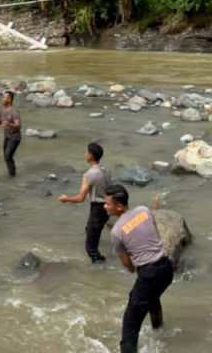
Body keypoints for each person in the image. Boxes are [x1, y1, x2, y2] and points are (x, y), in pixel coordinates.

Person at [104, 184, 175, 353]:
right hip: (167, 268)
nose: (104, 206)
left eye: (107, 203)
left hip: (149, 273)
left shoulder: (116, 232)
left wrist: (134, 265)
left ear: (119, 206)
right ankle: (158, 329)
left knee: (130, 324)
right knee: (153, 297)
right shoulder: (143, 210)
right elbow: (153, 232)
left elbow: (128, 265)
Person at [58, 141, 113, 263]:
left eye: (86, 152)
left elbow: (80, 198)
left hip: (97, 208)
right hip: (108, 206)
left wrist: (66, 199)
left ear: (91, 156)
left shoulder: (89, 174)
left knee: (90, 248)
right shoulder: (107, 170)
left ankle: (99, 266)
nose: (85, 154)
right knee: (91, 230)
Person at [0, 90, 22, 177]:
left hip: (15, 137)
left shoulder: (14, 111)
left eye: (4, 97)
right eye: (3, 97)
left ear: (9, 99)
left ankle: (12, 175)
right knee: (6, 157)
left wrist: (9, 124)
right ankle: (11, 174)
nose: (2, 99)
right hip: (7, 136)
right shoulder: (2, 109)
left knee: (8, 156)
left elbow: (18, 125)